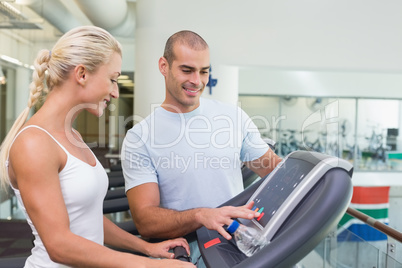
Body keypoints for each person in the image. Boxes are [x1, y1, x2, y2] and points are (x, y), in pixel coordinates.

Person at [0, 26, 195, 268]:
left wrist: (146, 247)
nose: (115, 92)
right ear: (82, 74)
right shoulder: (34, 144)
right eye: (112, 79)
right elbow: (59, 245)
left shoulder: (72, 136)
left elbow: (87, 218)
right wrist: (149, 265)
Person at [121, 30, 282, 265]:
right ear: (163, 66)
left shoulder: (232, 117)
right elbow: (145, 220)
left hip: (240, 247)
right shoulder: (140, 138)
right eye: (186, 70)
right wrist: (201, 215)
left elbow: (276, 172)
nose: (197, 81)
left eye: (204, 71)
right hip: (189, 256)